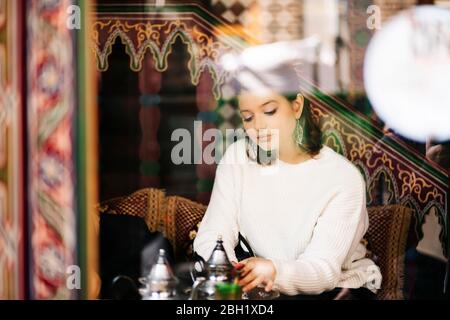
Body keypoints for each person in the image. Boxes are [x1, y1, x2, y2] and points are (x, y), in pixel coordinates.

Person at [193, 85, 382, 299]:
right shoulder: (237, 159)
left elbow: (324, 271)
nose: (258, 126)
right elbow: (212, 235)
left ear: (297, 106)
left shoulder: (342, 177)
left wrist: (274, 271)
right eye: (248, 117)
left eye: (270, 111)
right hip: (261, 291)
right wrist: (226, 271)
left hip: (337, 291)